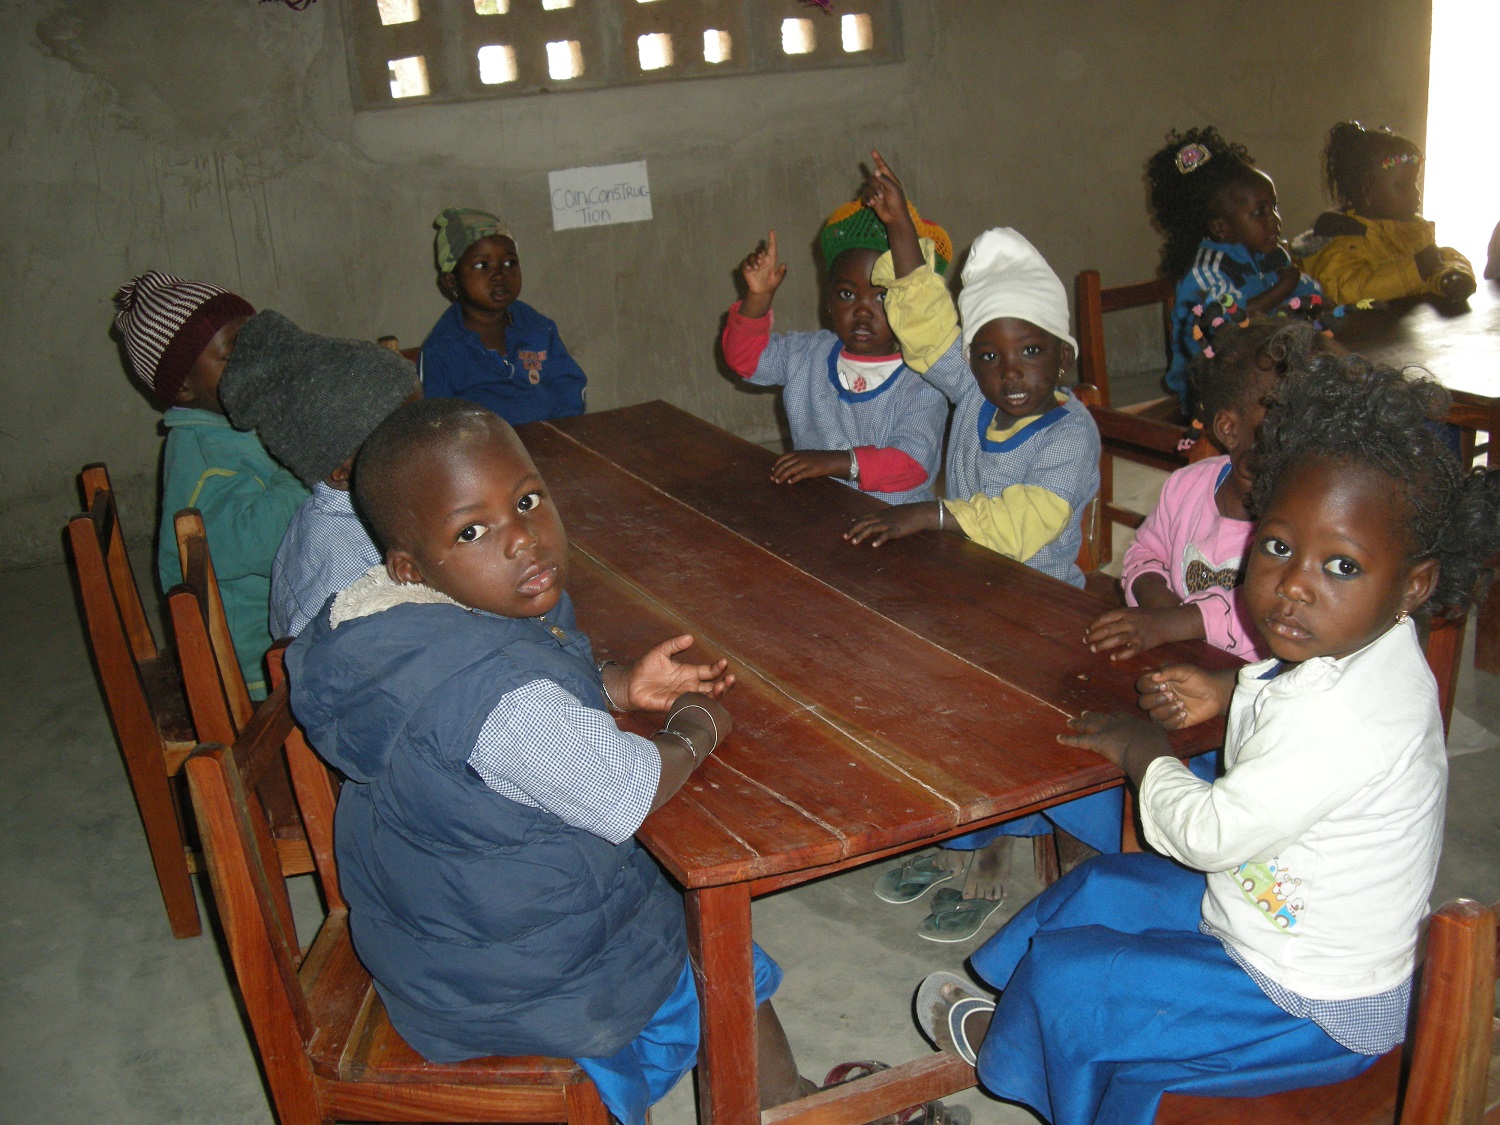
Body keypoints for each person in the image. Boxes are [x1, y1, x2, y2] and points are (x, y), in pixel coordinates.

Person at [915, 329, 1500, 1125]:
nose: (1293, 587)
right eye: (1280, 546)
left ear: (1415, 583)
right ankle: (1028, 1031)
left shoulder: (1354, 719)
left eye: (1341, 565)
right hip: (1264, 908)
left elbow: (1207, 833)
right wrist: (1228, 689)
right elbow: (1290, 688)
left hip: (1305, 998)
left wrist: (1142, 749)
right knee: (1100, 888)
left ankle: (1037, 1034)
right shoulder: (1362, 641)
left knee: (1080, 976)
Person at [284, 399, 815, 1125]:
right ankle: (783, 1104)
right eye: (473, 530)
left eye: (528, 500)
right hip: (528, 983)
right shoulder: (499, 697)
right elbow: (624, 786)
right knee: (721, 951)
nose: (524, 539)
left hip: (445, 947)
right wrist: (696, 727)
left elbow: (478, 737)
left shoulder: (402, 628)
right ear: (409, 565)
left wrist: (616, 683)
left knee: (680, 917)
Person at [844, 154, 1101, 940]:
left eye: (1029, 352)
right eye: (988, 356)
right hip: (967, 597)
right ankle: (958, 838)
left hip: (1038, 614)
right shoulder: (972, 389)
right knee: (951, 721)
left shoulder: (1072, 431)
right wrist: (900, 228)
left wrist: (934, 516)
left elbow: (1030, 518)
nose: (1007, 372)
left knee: (1011, 736)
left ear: (1063, 355)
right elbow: (926, 326)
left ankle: (1003, 859)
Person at [113, 270, 307, 699]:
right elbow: (265, 537)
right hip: (258, 662)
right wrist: (306, 462)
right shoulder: (207, 462)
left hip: (280, 618)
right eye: (233, 354)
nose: (255, 360)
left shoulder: (232, 423)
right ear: (183, 388)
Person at [720, 175, 952, 505]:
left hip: (895, 526)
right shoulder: (807, 354)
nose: (861, 312)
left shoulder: (924, 377)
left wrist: (833, 462)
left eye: (882, 297)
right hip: (821, 513)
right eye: (846, 294)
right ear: (827, 301)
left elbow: (911, 465)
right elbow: (743, 359)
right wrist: (758, 298)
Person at [1084, 315, 1303, 665]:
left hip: (1255, 680)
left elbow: (1279, 608)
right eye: (1284, 428)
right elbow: (1145, 553)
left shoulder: (1302, 517)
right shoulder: (1188, 487)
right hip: (1179, 657)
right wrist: (1162, 610)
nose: (1301, 444)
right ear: (1229, 429)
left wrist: (1180, 622)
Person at [215, 310, 420, 640]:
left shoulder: (373, 506)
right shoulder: (349, 565)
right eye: (403, 435)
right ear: (341, 472)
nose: (433, 440)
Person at [1146, 126, 1323, 412]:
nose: (1275, 221)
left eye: (1274, 207)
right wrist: (1282, 290)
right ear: (1221, 227)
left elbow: (1309, 294)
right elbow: (1222, 327)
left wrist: (1319, 303)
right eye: (1260, 212)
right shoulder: (1206, 271)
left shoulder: (1270, 255)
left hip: (1260, 373)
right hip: (1211, 394)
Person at [419, 207, 586, 426]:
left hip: (549, 443)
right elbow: (436, 421)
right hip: (482, 455)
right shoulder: (442, 349)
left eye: (509, 263)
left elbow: (569, 385)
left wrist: (563, 432)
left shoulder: (538, 329)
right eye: (482, 265)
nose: (500, 275)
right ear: (452, 282)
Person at [1296, 121, 1476, 305]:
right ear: (1366, 192)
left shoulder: (1415, 229)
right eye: (1403, 185)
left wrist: (1450, 276)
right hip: (1360, 331)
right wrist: (1416, 269)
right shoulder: (1344, 239)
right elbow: (1346, 292)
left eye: (1415, 182)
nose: (1415, 192)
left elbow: (1434, 266)